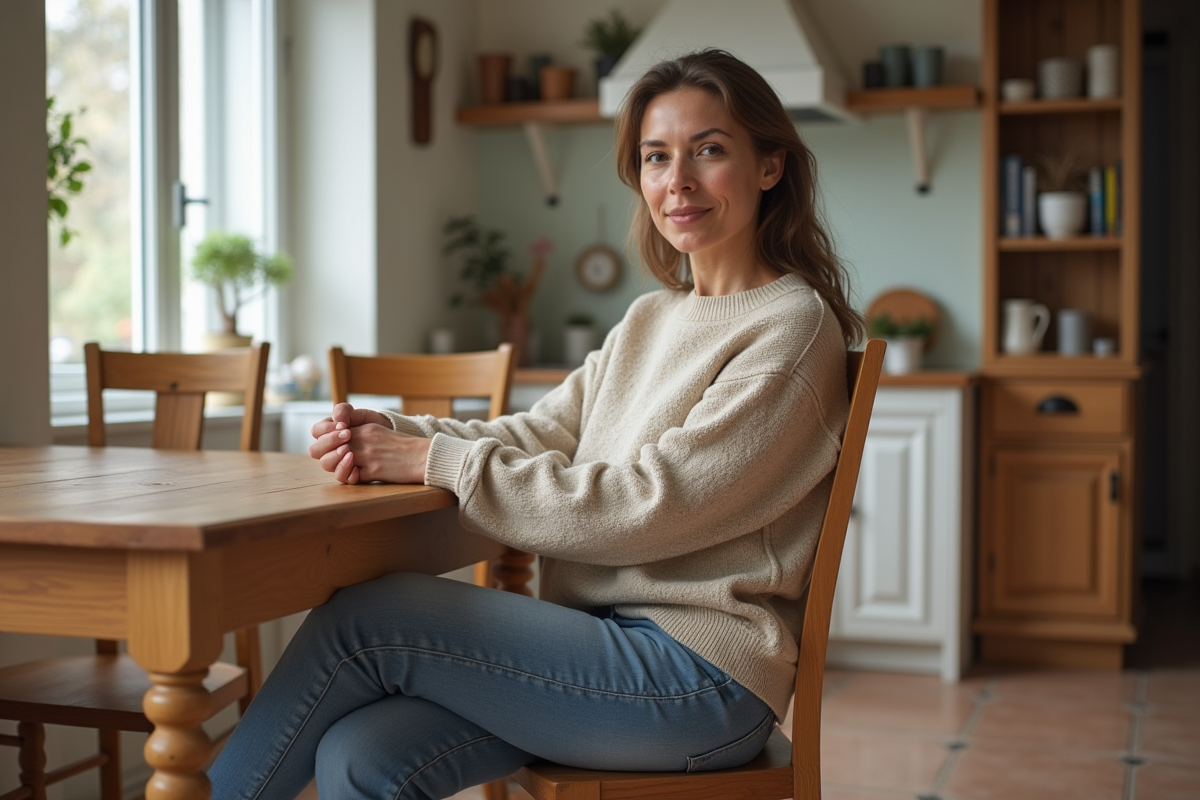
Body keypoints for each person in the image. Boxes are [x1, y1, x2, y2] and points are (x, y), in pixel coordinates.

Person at [210, 48, 863, 800]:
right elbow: (540, 433)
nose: (676, 180)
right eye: (656, 157)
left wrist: (434, 463)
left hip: (698, 682)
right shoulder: (652, 316)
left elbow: (649, 506)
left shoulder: (789, 326)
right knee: (363, 754)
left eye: (708, 151)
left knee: (368, 617)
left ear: (770, 166)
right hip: (598, 653)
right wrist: (395, 430)